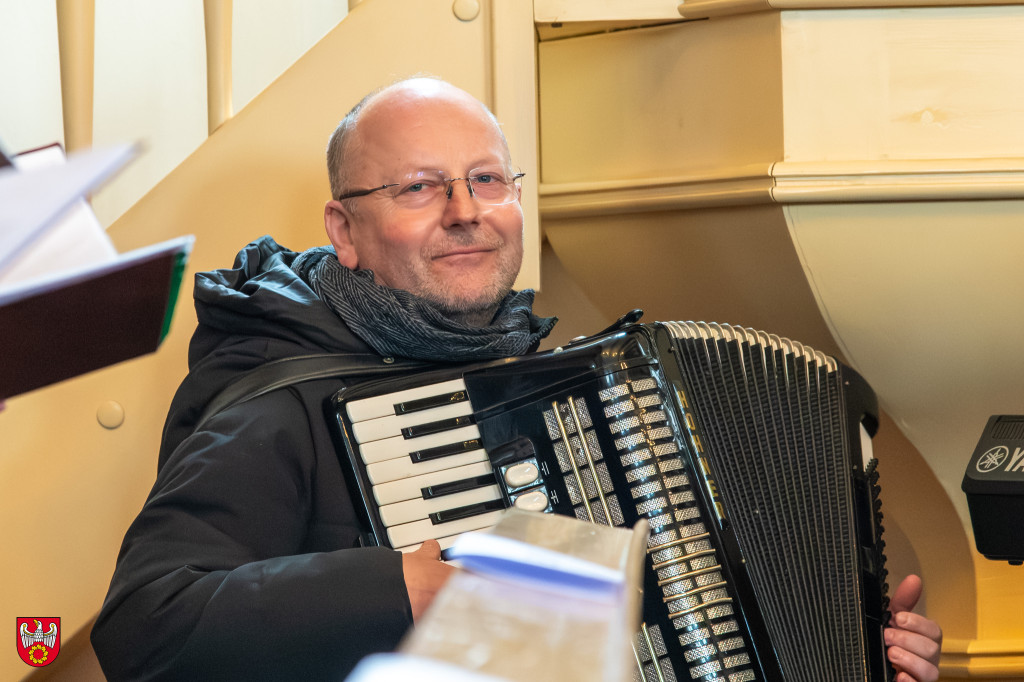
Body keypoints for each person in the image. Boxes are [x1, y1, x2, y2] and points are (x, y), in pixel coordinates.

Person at [91, 77, 942, 681]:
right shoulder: (280, 396)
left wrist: (862, 654)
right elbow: (147, 623)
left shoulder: (565, 383)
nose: (466, 210)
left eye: (487, 179)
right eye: (420, 187)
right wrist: (399, 587)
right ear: (344, 230)